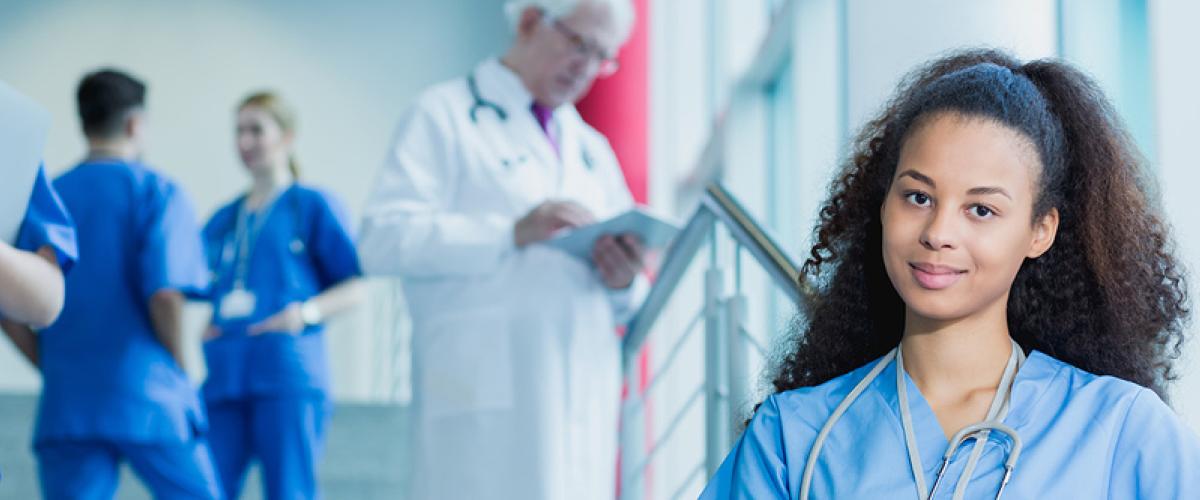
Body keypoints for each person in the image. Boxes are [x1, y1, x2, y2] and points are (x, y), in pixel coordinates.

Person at [701, 49, 1199, 498]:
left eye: (980, 209)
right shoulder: (793, 438)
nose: (938, 232)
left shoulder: (1122, 430)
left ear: (1040, 232)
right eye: (918, 197)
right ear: (883, 205)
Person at [357, 0, 646, 498]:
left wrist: (624, 279)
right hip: (480, 402)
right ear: (532, 20)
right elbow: (381, 240)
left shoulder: (592, 151)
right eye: (580, 45)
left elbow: (630, 299)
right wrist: (508, 232)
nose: (588, 68)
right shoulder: (444, 114)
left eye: (604, 56)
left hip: (578, 397)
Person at [16, 69, 220, 499]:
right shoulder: (156, 191)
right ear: (134, 124)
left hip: (69, 404)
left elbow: (7, 305)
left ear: (84, 122)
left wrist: (52, 365)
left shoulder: (45, 197)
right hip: (150, 395)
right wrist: (183, 367)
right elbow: (164, 296)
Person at [200, 91, 364, 500]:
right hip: (225, 374)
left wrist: (304, 314)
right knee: (204, 488)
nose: (245, 142)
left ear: (287, 136)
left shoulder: (310, 206)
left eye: (257, 130)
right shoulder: (225, 218)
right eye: (239, 131)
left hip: (286, 372)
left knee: (290, 491)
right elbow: (206, 284)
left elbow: (355, 287)